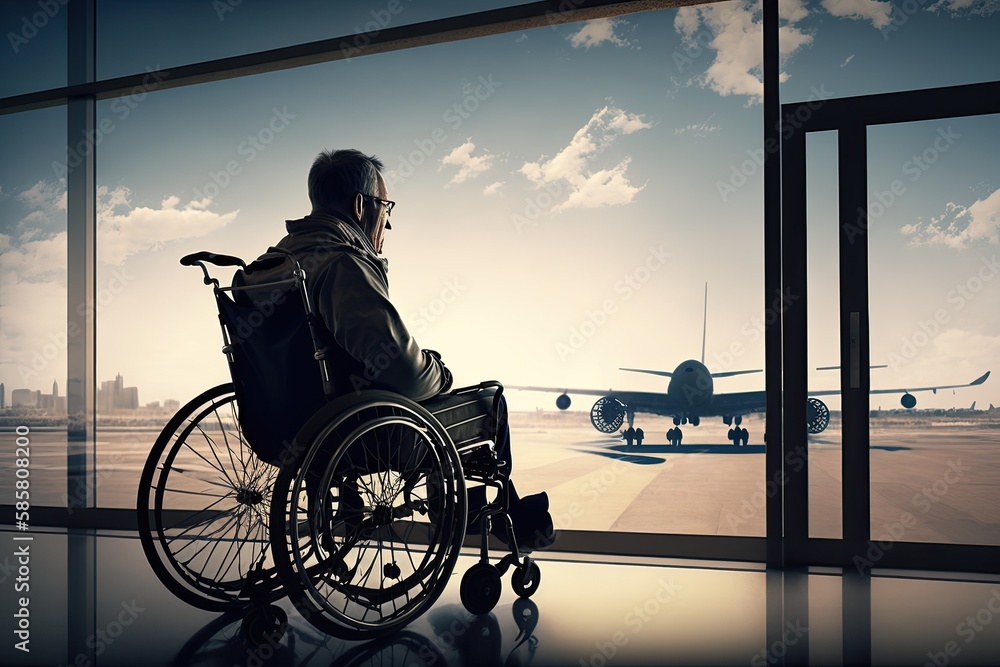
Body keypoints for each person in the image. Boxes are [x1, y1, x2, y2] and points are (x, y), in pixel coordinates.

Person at [237, 148, 555, 552]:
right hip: (357, 437)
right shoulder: (341, 264)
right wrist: (440, 370)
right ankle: (493, 519)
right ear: (360, 205)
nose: (388, 223)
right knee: (491, 401)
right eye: (386, 208)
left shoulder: (270, 266)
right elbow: (404, 372)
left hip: (279, 429)